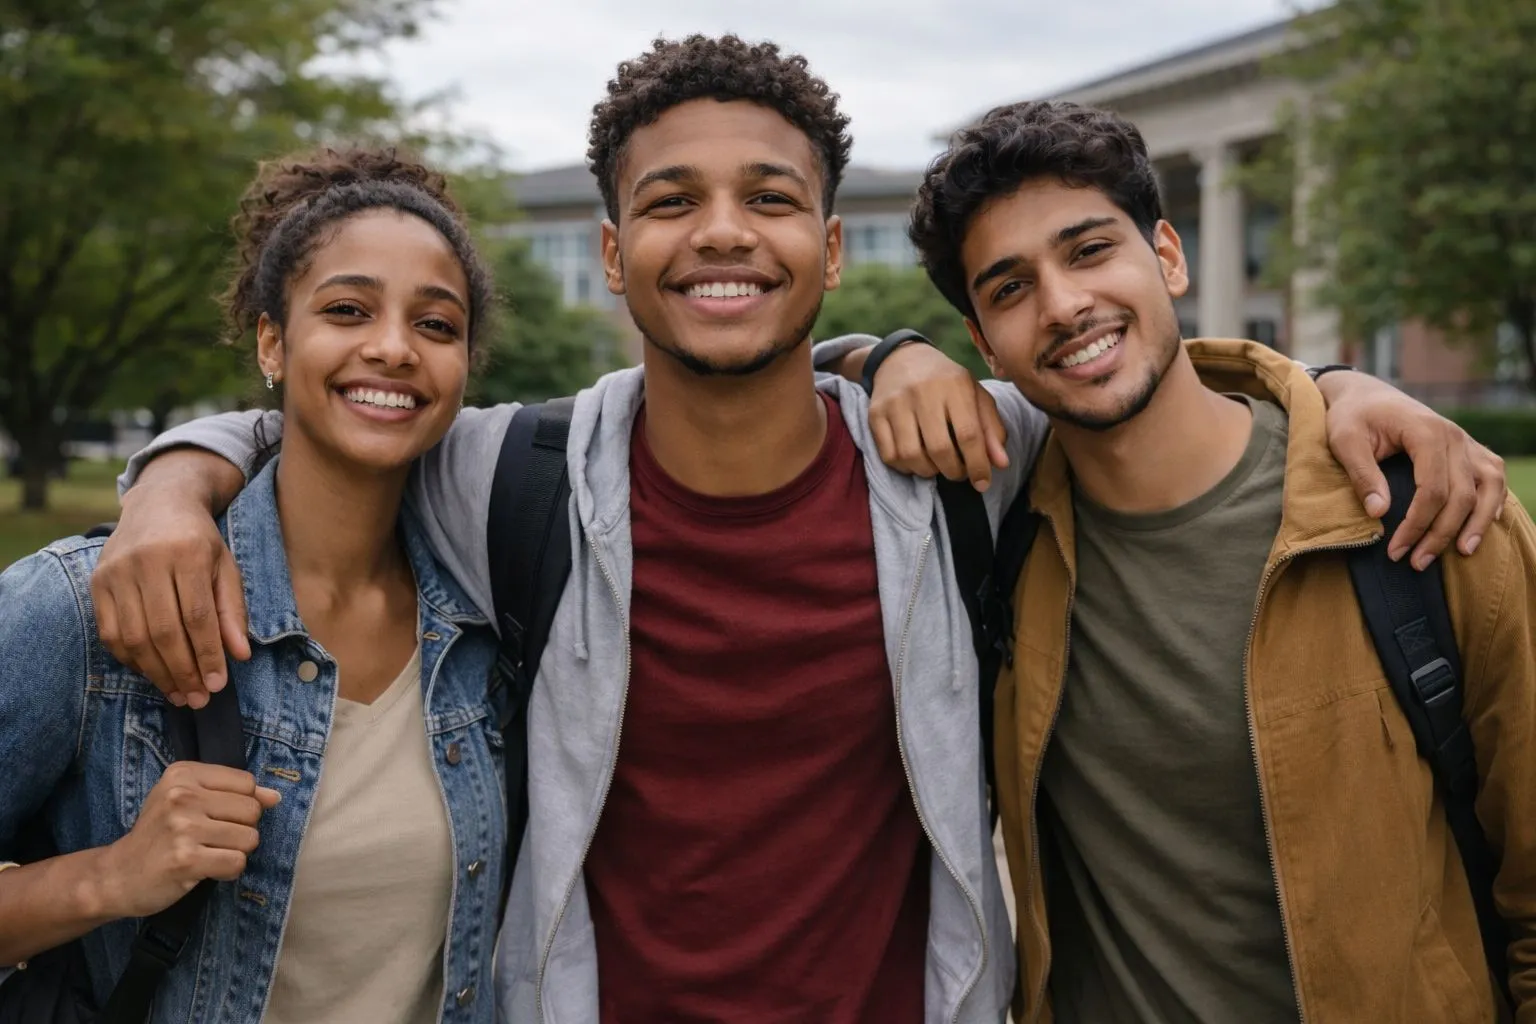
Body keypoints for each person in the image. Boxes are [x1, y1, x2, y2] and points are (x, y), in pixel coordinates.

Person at [90, 38, 1506, 1024]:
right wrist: (170, 481)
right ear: (608, 251)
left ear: (831, 249)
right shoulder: (507, 474)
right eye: (670, 202)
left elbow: (1142, 399)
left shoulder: (966, 461)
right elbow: (330, 419)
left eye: (770, 200)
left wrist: (1335, 390)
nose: (723, 235)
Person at [902, 98, 1536, 1023]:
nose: (1064, 304)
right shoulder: (994, 537)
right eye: (1008, 288)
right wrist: (892, 358)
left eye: (1088, 251)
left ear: (1167, 256)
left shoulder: (1421, 510)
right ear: (983, 344)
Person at [0, 148, 508, 1023]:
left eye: (436, 325)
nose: (392, 348)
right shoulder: (89, 612)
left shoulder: (493, 615)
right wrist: (110, 878)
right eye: (348, 310)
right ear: (272, 340)